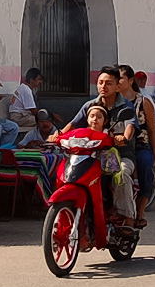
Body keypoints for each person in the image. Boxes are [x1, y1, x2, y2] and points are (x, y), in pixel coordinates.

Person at [51, 66, 136, 227]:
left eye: (109, 83)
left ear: (118, 86)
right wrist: (58, 135)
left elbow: (130, 126)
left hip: (119, 155)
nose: (103, 86)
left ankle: (127, 217)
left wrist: (123, 137)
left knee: (122, 175)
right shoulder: (90, 105)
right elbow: (73, 123)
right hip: (91, 155)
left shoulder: (126, 107)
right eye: (100, 82)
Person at [117, 64, 155, 228]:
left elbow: (152, 131)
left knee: (145, 167)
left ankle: (140, 212)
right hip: (116, 146)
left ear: (130, 80)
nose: (117, 81)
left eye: (120, 77)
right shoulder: (111, 101)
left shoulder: (143, 102)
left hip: (140, 146)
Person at [9, 68, 58, 142]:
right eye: (39, 79)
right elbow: (34, 111)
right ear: (32, 80)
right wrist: (50, 116)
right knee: (46, 122)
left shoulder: (25, 88)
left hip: (23, 116)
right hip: (19, 118)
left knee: (45, 121)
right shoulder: (26, 90)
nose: (40, 82)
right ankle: (49, 140)